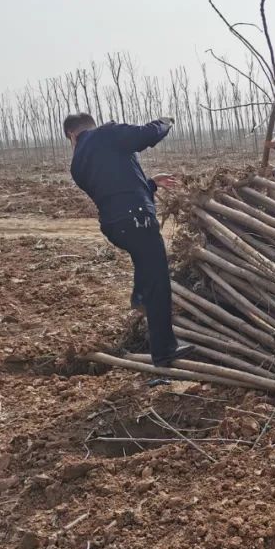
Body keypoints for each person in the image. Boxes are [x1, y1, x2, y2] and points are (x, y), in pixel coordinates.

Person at [65, 113, 193, 368]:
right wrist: (166, 121)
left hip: (116, 226)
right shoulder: (105, 134)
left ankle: (140, 297)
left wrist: (151, 184)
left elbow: (115, 186)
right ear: (89, 126)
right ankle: (164, 351)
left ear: (71, 137)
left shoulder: (77, 164)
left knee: (145, 263)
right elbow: (146, 135)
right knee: (158, 281)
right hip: (138, 220)